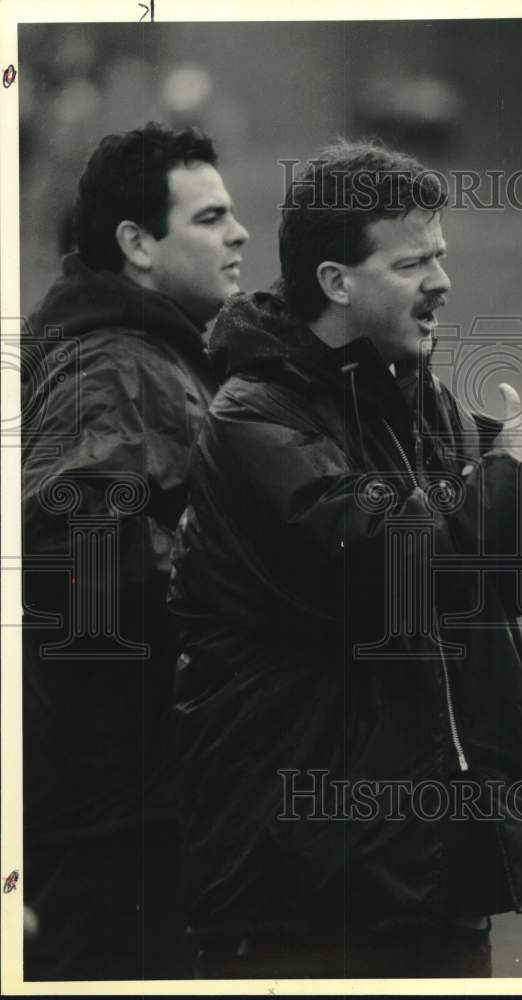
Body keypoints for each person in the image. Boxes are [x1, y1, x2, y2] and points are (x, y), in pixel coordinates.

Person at [168, 140, 522, 979]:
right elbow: (390, 568)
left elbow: (517, 578)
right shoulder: (253, 422)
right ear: (337, 283)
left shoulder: (422, 404)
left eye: (439, 256)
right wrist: (515, 467)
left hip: (431, 874)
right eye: (413, 263)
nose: (442, 283)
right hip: (304, 886)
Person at [21, 121, 249, 981]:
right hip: (115, 824)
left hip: (129, 807)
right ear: (137, 246)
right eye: (209, 218)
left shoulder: (149, 352)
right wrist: (244, 597)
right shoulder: (113, 370)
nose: (239, 234)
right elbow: (85, 582)